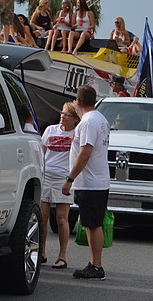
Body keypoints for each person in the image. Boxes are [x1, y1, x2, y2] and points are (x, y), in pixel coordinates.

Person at [62, 84, 111, 280]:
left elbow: (85, 152)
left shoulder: (88, 122)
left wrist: (70, 178)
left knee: (93, 224)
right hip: (96, 179)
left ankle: (97, 265)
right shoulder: (100, 119)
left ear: (79, 101)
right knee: (92, 223)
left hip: (91, 181)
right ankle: (94, 263)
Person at [40, 102, 80, 269]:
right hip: (46, 175)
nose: (63, 116)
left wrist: (71, 179)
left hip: (64, 177)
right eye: (62, 113)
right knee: (42, 217)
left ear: (75, 119)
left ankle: (62, 255)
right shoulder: (50, 130)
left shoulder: (76, 134)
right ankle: (41, 251)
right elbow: (41, 151)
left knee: (61, 218)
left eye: (67, 115)